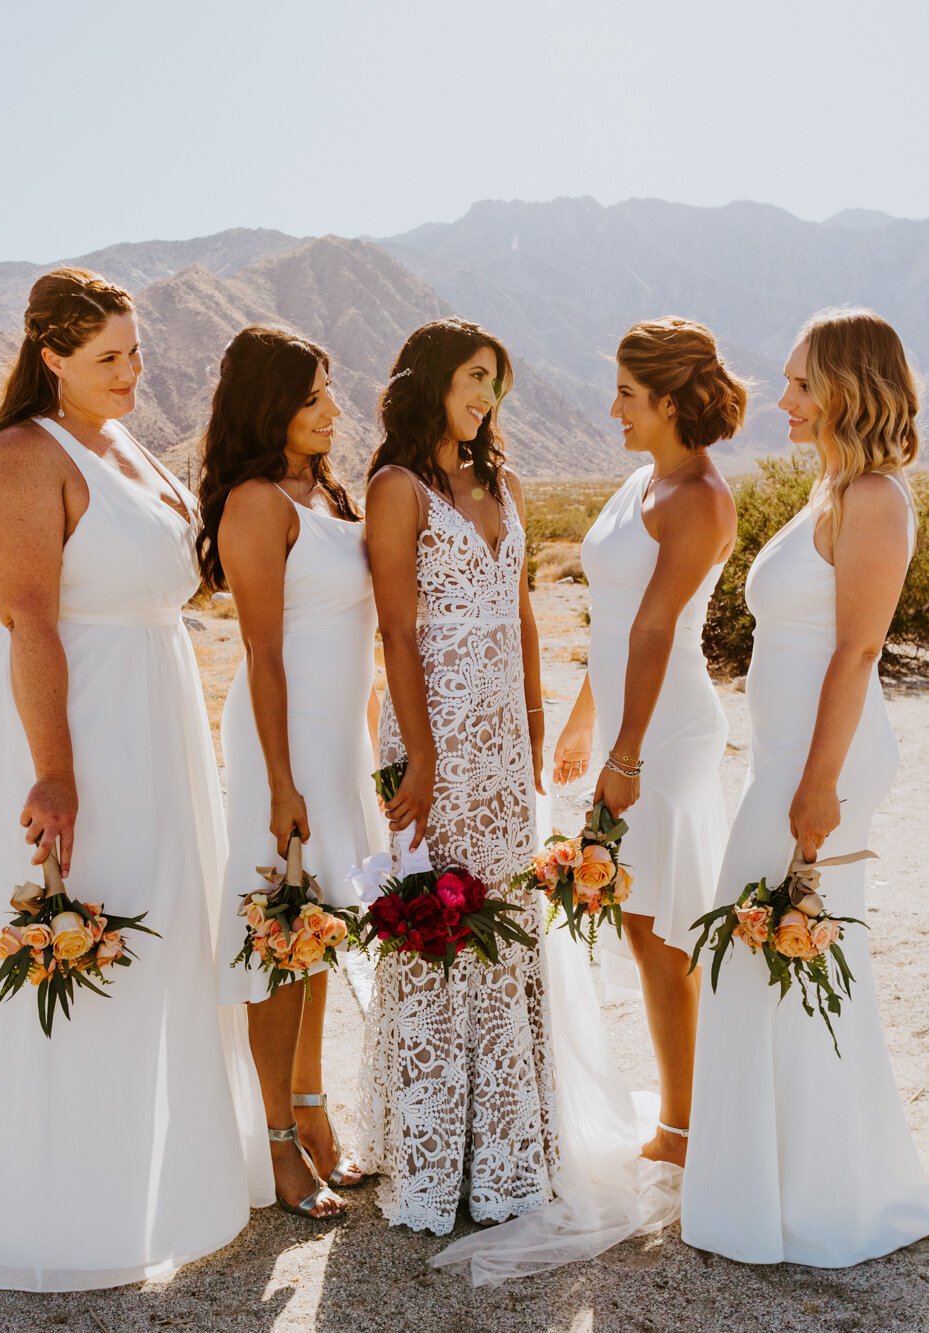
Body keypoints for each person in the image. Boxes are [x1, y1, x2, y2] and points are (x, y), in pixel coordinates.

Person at [0, 269, 262, 1289]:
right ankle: (42, 1207)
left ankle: (148, 1177)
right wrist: (53, 775)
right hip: (75, 725)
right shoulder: (18, 456)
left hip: (156, 719)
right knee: (82, 930)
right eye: (108, 359)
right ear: (50, 357)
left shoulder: (123, 443)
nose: (133, 372)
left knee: (161, 936)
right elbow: (27, 618)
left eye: (135, 352)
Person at [682, 307, 929, 1267]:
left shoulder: (875, 497)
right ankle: (774, 1188)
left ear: (845, 389)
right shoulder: (830, 491)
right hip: (786, 758)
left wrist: (817, 786)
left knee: (785, 954)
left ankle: (823, 1201)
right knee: (766, 957)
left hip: (817, 764)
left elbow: (857, 648)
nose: (782, 399)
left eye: (799, 383)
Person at [357, 318, 557, 1234]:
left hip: (505, 746)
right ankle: (435, 1157)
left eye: (496, 385)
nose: (485, 399)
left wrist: (535, 719)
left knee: (505, 922)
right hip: (433, 727)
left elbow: (521, 617)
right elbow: (396, 629)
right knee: (439, 919)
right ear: (434, 380)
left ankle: (509, 1155)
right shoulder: (396, 487)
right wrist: (423, 756)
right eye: (475, 378)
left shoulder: (504, 482)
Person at [195, 325, 383, 1221]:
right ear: (269, 406)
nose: (332, 411)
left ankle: (310, 1109)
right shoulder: (256, 502)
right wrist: (280, 780)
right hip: (285, 742)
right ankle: (274, 1141)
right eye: (311, 398)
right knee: (279, 934)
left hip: (338, 742)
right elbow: (263, 653)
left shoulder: (327, 494)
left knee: (320, 928)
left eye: (329, 393)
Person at [551, 317, 742, 1167]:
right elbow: (618, 623)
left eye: (627, 394)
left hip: (668, 727)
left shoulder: (700, 497)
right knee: (637, 917)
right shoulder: (641, 484)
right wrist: (585, 716)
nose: (614, 409)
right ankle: (683, 1115)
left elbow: (659, 629)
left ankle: (684, 1128)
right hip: (628, 716)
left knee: (660, 925)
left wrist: (625, 754)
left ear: (668, 400)